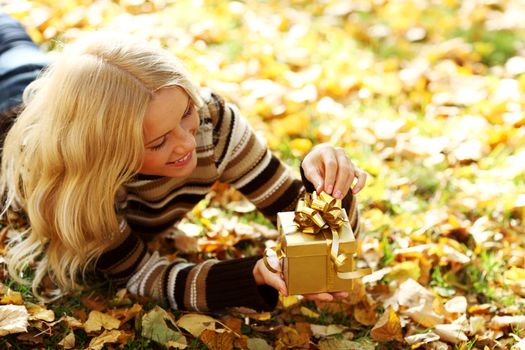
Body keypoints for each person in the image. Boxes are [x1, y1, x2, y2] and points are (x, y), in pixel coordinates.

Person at [0, 13, 367, 312]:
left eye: (186, 112)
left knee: (17, 42)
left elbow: (293, 207)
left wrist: (325, 188)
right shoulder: (77, 183)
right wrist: (249, 274)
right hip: (12, 101)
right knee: (12, 45)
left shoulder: (213, 122)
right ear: (109, 155)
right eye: (159, 141)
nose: (187, 143)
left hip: (72, 88)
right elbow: (141, 274)